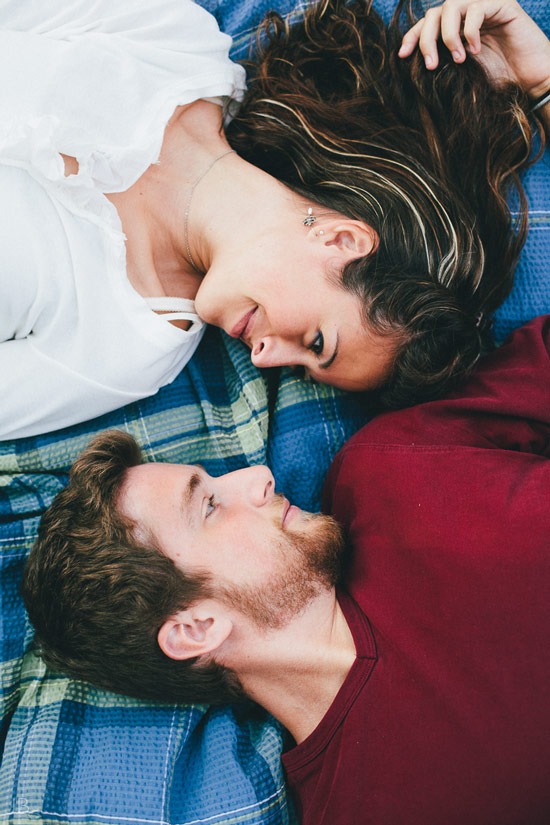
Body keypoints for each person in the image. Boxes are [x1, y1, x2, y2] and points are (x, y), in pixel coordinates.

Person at [21, 311, 550, 824]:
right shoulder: (365, 810)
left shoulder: (385, 472)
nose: (260, 476)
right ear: (195, 628)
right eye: (208, 505)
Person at [1, 0, 548, 439]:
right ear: (342, 238)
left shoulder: (129, 348)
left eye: (299, 369)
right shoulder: (174, 45)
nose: (263, 359)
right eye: (314, 343)